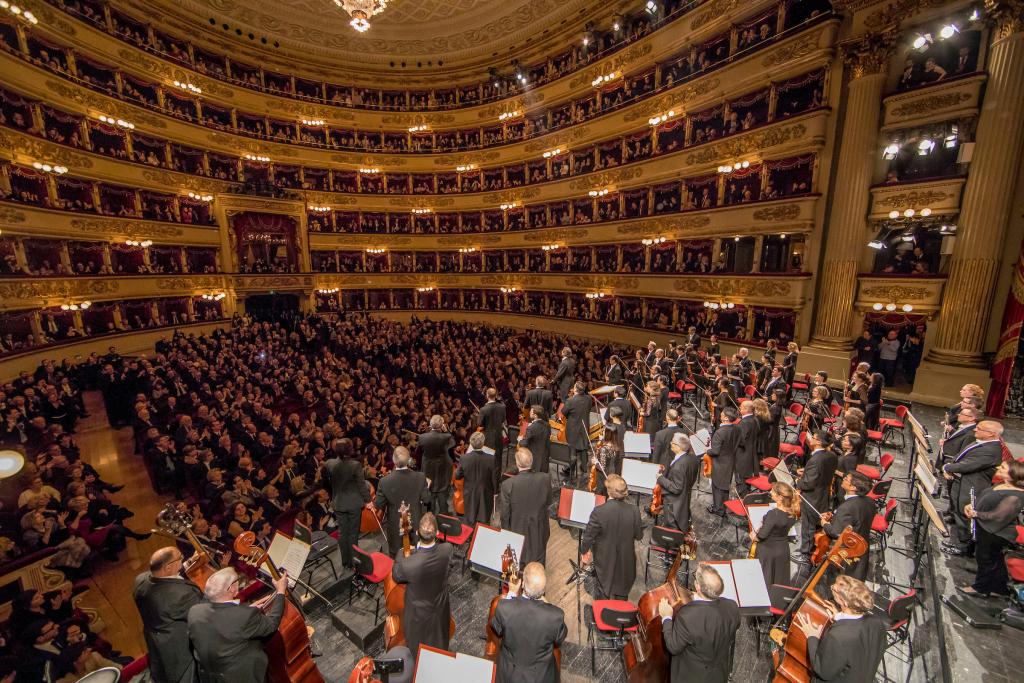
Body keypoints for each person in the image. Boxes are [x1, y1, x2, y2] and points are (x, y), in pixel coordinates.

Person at [187, 567, 290, 683]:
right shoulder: (244, 616)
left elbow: (223, 620)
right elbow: (271, 623)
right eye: (237, 581)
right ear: (231, 589)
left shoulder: (194, 611)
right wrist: (281, 591)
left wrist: (243, 611)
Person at [657, 563, 741, 683]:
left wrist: (666, 617)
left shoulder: (687, 617)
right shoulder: (733, 607)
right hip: (718, 674)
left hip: (692, 676)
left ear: (698, 587)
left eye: (695, 578)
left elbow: (673, 646)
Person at [794, 575, 886, 683]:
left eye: (834, 589)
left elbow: (823, 671)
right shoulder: (877, 622)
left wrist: (812, 637)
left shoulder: (836, 637)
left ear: (845, 603)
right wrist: (839, 618)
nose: (831, 586)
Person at [132, 547, 205, 683]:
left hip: (156, 643)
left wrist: (187, 564)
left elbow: (166, 579)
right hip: (180, 649)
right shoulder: (180, 596)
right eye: (180, 558)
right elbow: (203, 611)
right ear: (168, 567)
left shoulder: (140, 580)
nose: (183, 558)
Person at [489, 562, 567, 683]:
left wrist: (511, 593)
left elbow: (495, 626)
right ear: (544, 589)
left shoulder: (505, 609)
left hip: (509, 675)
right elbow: (560, 637)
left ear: (523, 584)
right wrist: (545, 602)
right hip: (541, 677)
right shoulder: (555, 616)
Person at [391, 513, 453, 658]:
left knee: (418, 652)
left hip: (417, 616)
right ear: (437, 533)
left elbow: (396, 575)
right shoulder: (447, 549)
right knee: (440, 646)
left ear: (417, 533)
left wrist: (402, 552)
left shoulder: (408, 564)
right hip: (440, 610)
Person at [941, 420, 1005, 556]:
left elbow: (968, 465)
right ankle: (961, 542)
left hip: (972, 487)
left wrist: (947, 467)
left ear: (990, 434)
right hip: (962, 482)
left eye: (979, 428)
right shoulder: (981, 442)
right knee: (958, 512)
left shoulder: (991, 450)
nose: (975, 430)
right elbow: (961, 457)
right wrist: (950, 466)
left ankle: (965, 547)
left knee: (965, 516)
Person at [962, 460, 1024, 597]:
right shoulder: (1004, 485)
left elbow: (998, 516)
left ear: (1012, 474)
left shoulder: (1016, 496)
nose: (998, 468)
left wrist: (976, 513)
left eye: (1003, 467)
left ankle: (980, 588)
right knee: (996, 559)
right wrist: (972, 506)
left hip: (995, 532)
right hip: (987, 527)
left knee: (985, 559)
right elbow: (989, 500)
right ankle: (999, 589)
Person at [580, 474, 643, 600]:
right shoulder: (634, 511)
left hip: (605, 561)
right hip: (626, 561)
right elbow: (639, 536)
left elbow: (589, 535)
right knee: (622, 596)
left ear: (609, 492)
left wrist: (584, 550)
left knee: (602, 592)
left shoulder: (599, 511)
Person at [500, 448, 553, 566]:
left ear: (517, 464)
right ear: (531, 462)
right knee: (539, 564)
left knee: (517, 565)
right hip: (539, 529)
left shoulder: (507, 484)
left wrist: (505, 534)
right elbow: (549, 501)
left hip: (517, 530)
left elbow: (504, 514)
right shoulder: (544, 478)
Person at [324, 437, 371, 569]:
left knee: (343, 532)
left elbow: (328, 482)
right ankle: (354, 561)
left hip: (338, 502)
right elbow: (362, 485)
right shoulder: (355, 465)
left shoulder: (330, 463)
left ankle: (345, 561)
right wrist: (368, 501)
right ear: (350, 450)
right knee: (353, 532)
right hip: (353, 503)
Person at [375, 447, 431, 557]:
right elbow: (427, 499)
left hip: (395, 526)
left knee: (397, 556)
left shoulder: (384, 482)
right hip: (415, 522)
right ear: (409, 459)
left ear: (393, 460)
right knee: (416, 553)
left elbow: (378, 505)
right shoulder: (420, 477)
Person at [821, 472, 875, 581]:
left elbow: (836, 532)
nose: (843, 479)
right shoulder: (870, 501)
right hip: (862, 547)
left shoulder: (846, 507)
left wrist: (825, 524)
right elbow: (857, 521)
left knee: (842, 581)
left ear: (853, 487)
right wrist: (835, 518)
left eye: (846, 479)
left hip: (846, 552)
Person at [795, 431, 838, 563]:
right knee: (817, 523)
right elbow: (822, 472)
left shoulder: (815, 459)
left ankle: (806, 554)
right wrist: (807, 472)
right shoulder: (832, 455)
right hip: (824, 494)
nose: (810, 439)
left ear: (819, 442)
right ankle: (815, 548)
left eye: (813, 438)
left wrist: (798, 481)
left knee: (808, 526)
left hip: (812, 497)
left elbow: (809, 483)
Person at [752, 482, 799, 587]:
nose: (770, 492)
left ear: (780, 497)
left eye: (773, 491)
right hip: (783, 549)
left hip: (768, 551)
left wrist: (753, 536)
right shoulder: (792, 512)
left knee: (765, 579)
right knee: (778, 579)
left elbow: (762, 535)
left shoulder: (774, 515)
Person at [454, 431, 499, 530]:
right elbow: (495, 477)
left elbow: (457, 475)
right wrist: (495, 492)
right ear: (483, 444)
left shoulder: (464, 458)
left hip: (469, 492)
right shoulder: (491, 459)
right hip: (485, 491)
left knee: (471, 517)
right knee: (484, 518)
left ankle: (471, 537)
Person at [658, 433, 700, 532]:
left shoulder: (678, 467)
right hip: (685, 496)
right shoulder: (693, 457)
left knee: (672, 526)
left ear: (679, 447)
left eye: (673, 442)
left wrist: (660, 478)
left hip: (673, 502)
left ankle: (672, 545)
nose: (670, 443)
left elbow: (676, 488)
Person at [418, 416, 455, 516]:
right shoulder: (446, 436)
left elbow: (418, 450)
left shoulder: (422, 437)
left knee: (430, 491)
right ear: (442, 425)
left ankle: (430, 515)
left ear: (430, 425)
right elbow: (452, 442)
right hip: (443, 468)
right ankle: (444, 514)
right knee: (443, 491)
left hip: (428, 468)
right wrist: (446, 431)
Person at [706, 406, 739, 517]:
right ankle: (723, 506)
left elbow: (715, 451)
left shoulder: (720, 432)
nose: (720, 415)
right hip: (731, 460)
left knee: (718, 486)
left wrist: (707, 450)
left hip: (720, 462)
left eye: (722, 414)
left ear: (725, 418)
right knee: (725, 485)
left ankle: (718, 509)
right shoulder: (737, 428)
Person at [561, 382, 595, 477]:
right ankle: (584, 468)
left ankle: (571, 469)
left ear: (575, 389)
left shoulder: (570, 401)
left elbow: (563, 412)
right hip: (584, 425)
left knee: (573, 447)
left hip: (573, 427)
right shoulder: (588, 398)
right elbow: (588, 410)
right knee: (584, 445)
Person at [734, 401, 759, 496]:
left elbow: (741, 440)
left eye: (741, 407)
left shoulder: (744, 422)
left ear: (746, 409)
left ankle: (742, 502)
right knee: (747, 479)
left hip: (742, 455)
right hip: (751, 453)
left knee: (741, 479)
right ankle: (747, 498)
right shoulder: (755, 419)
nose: (740, 409)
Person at [518, 405, 551, 475]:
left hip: (535, 457)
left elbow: (524, 444)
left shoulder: (531, 428)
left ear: (535, 415)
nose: (529, 412)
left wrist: (519, 440)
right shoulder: (548, 425)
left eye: (531, 412)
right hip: (545, 456)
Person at [477, 387, 507, 454]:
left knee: (489, 457)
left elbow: (480, 424)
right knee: (498, 457)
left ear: (487, 395)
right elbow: (503, 420)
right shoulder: (502, 407)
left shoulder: (483, 409)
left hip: (488, 437)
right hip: (499, 436)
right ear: (496, 395)